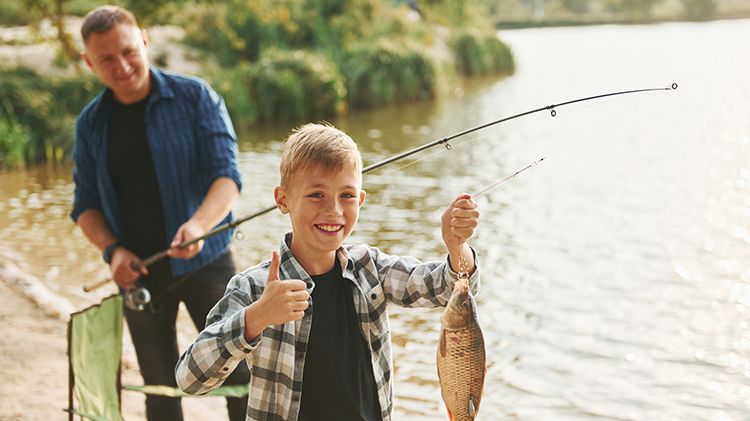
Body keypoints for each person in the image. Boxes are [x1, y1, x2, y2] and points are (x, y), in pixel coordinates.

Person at [175, 123, 481, 420]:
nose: (333, 210)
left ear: (360, 200)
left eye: (346, 195)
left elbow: (444, 287)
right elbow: (190, 378)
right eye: (316, 194)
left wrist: (456, 246)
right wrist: (258, 316)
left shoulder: (371, 269)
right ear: (283, 200)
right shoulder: (255, 288)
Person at [70, 5, 249, 420]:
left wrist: (199, 225)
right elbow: (85, 206)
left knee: (240, 377)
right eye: (107, 59)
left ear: (145, 42)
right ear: (88, 62)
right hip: (138, 275)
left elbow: (227, 178)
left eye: (129, 51)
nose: (122, 65)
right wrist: (113, 250)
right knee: (159, 390)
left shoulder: (196, 97)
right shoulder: (90, 125)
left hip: (208, 263)